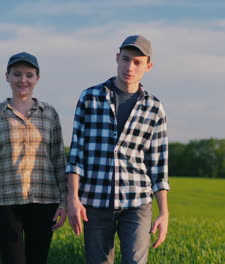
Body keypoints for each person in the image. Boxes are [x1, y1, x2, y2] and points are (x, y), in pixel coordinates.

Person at [66, 35, 170, 264]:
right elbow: (76, 154)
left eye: (137, 62)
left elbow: (158, 165)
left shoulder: (154, 107)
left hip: (137, 201)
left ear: (148, 66)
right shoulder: (90, 97)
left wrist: (164, 212)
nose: (129, 67)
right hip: (95, 200)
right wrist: (72, 197)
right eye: (125, 59)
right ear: (117, 58)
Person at [0, 52, 67, 264]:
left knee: (38, 260)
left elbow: (59, 160)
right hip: (5, 202)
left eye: (29, 75)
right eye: (16, 74)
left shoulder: (50, 114)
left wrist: (64, 202)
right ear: (7, 77)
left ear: (37, 79)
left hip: (45, 200)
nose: (22, 80)